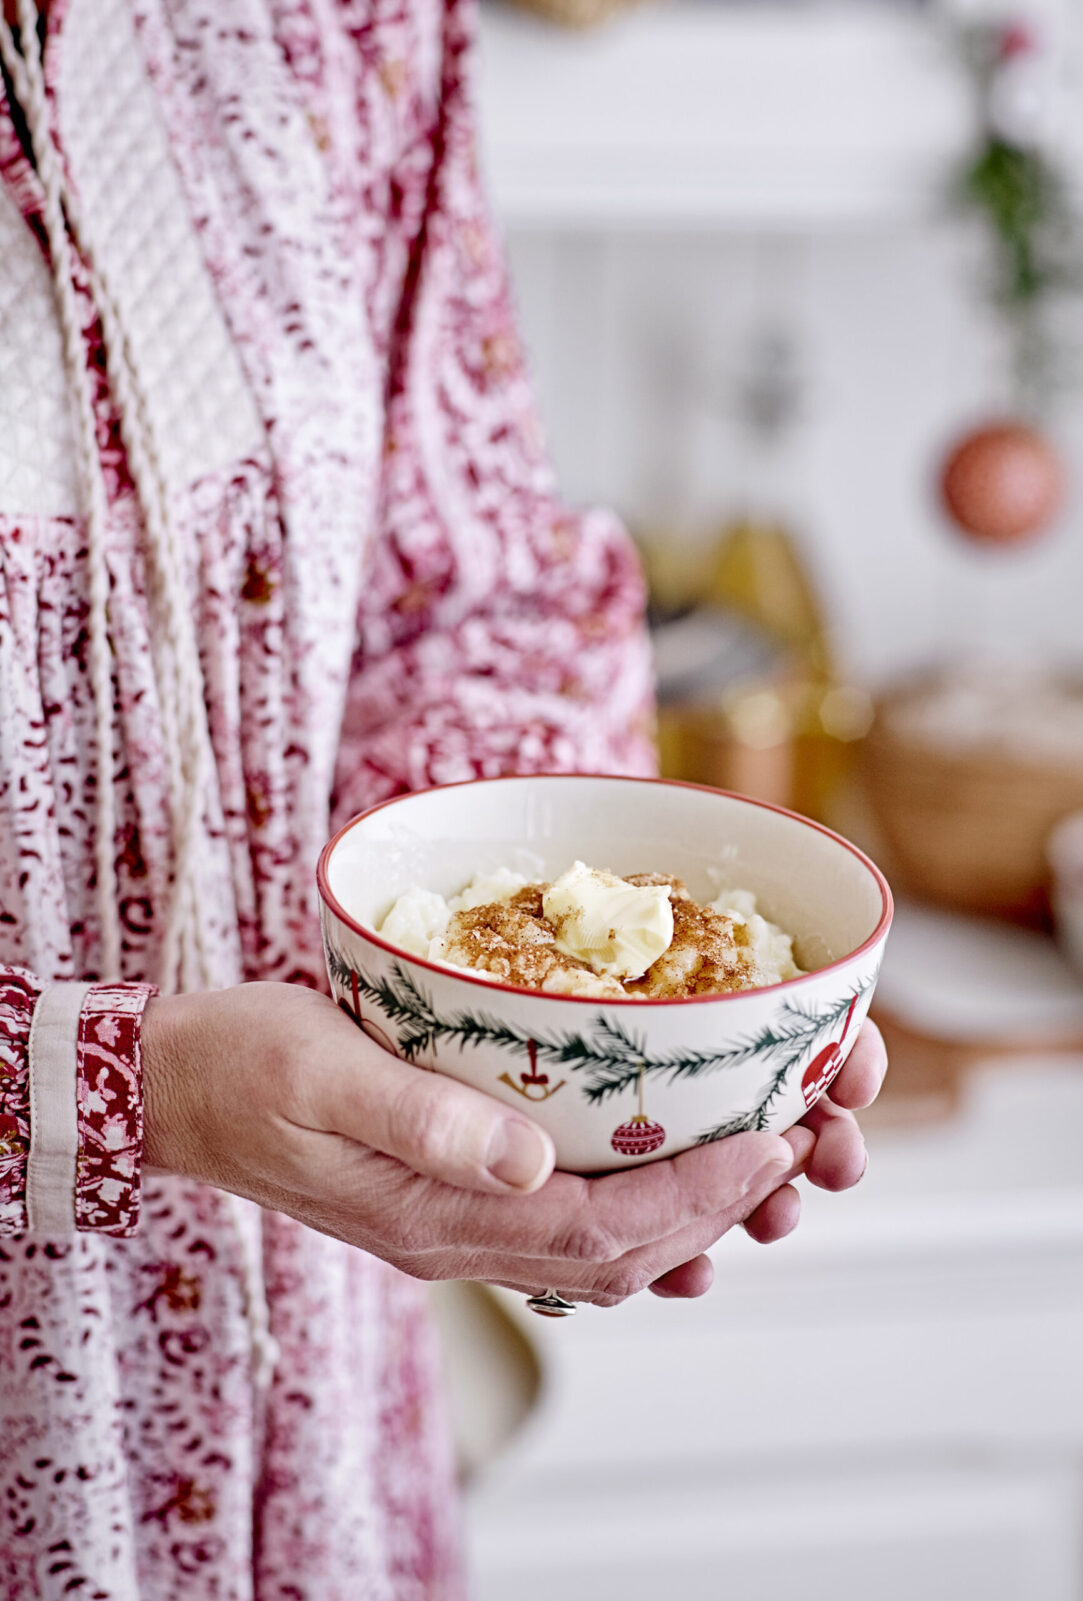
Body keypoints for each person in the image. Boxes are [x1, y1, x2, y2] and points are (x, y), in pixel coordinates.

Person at [0, 0, 888, 1594]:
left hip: (313, 1398)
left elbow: (469, 589)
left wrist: (532, 1010)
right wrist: (136, 1092)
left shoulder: (341, 21)